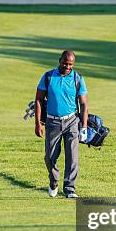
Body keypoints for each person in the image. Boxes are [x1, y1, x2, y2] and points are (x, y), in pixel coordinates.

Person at [34, 50, 89, 199]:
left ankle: (70, 188)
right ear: (60, 60)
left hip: (71, 121)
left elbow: (84, 104)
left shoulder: (77, 79)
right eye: (65, 63)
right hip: (52, 122)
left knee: (72, 156)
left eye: (70, 64)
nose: (67, 66)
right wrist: (38, 123)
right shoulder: (48, 77)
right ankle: (54, 181)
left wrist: (83, 127)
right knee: (50, 157)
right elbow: (38, 99)